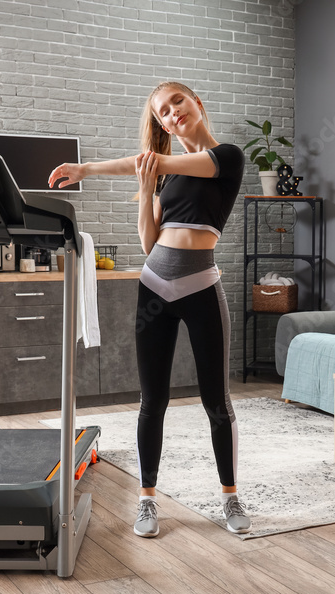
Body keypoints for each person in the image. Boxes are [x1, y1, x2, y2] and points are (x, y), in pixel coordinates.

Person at [49, 81, 249, 538]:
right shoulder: (165, 175)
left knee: (215, 400)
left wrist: (87, 168)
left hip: (201, 286)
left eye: (177, 101)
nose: (171, 113)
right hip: (154, 285)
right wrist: (144, 190)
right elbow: (148, 241)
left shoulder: (227, 157)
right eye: (162, 111)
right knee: (151, 401)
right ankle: (147, 500)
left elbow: (155, 158)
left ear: (197, 102)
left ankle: (230, 494)